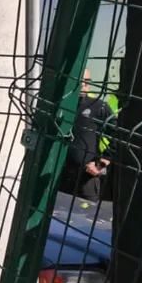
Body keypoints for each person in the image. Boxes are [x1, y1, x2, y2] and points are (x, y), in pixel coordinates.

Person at [59, 69, 113, 201]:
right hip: (59, 175)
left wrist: (102, 163)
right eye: (80, 82)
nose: (84, 85)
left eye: (87, 82)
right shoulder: (59, 105)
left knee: (87, 215)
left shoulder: (99, 107)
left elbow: (119, 137)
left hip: (86, 176)